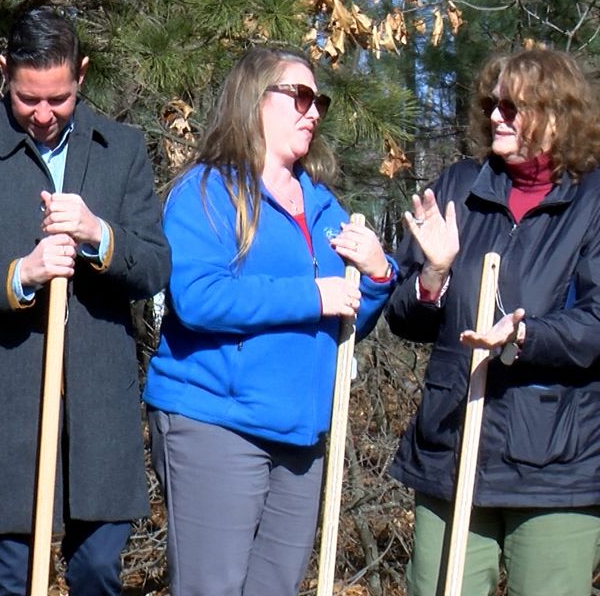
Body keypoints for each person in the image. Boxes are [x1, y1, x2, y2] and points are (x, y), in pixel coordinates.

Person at [0, 8, 169, 595]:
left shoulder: (121, 150)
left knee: (98, 570)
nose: (44, 114)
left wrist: (98, 235)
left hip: (96, 412)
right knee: (8, 579)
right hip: (3, 411)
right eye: (28, 98)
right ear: (4, 71)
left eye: (58, 98)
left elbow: (155, 265)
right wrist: (20, 275)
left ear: (81, 74)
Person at [145, 47, 396, 596]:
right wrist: (311, 295)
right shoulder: (208, 192)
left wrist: (376, 278)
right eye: (300, 97)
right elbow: (198, 297)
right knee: (213, 588)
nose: (313, 112)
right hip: (216, 424)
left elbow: (346, 317)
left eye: (319, 102)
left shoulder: (325, 206)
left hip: (300, 435)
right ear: (253, 101)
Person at [387, 48, 600, 596]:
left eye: (514, 105)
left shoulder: (592, 199)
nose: (496, 116)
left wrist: (527, 335)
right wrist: (433, 273)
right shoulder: (462, 187)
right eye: (492, 103)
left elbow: (596, 324)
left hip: (556, 463)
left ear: (557, 113)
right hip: (453, 448)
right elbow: (403, 316)